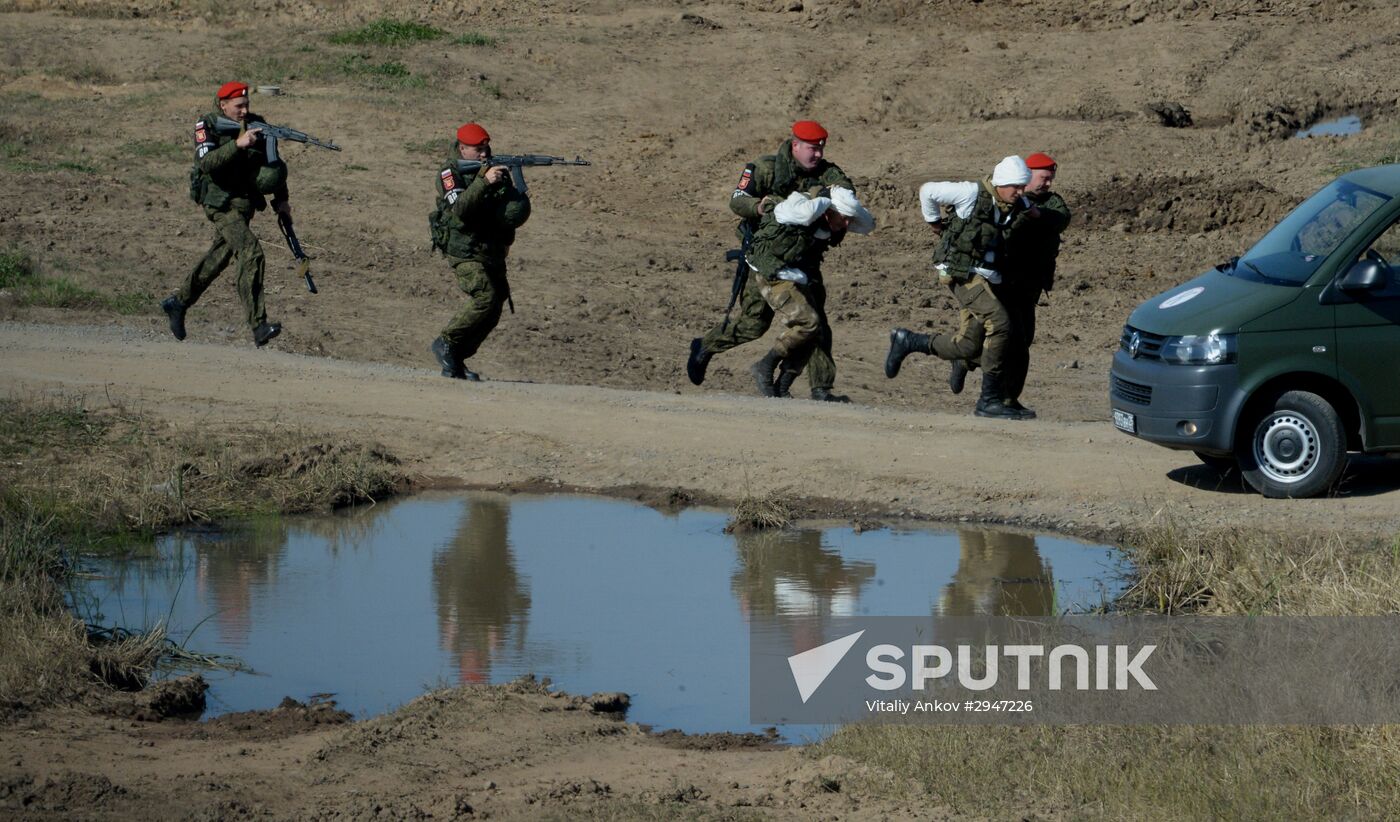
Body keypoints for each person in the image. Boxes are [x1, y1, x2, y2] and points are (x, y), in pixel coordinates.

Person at [688, 121, 856, 401]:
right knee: (754, 324)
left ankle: (821, 389)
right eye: (812, 148)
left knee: (816, 325)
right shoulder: (764, 168)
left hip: (805, 259)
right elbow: (737, 200)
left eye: (821, 148)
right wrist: (759, 207)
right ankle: (705, 345)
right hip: (765, 259)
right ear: (795, 146)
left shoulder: (828, 173)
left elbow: (845, 193)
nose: (817, 154)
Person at [883, 155, 1030, 419]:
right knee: (1000, 323)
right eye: (1015, 187)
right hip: (961, 273)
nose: (1020, 192)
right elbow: (927, 191)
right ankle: (988, 401)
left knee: (968, 346)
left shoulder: (1014, 203)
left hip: (987, 276)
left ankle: (909, 341)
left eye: (1023, 186)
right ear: (1001, 183)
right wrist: (935, 224)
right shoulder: (970, 193)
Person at [163, 81, 288, 347]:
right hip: (219, 204)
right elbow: (206, 163)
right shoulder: (206, 125)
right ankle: (258, 326)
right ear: (223, 105)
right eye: (238, 106)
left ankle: (178, 303)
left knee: (218, 258)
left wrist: (282, 200)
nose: (244, 111)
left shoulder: (258, 124)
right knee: (251, 252)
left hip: (244, 205)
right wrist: (238, 145)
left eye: (246, 106)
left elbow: (273, 165)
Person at [745, 187, 874, 397]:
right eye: (844, 217)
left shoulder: (829, 220)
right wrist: (823, 199)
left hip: (793, 275)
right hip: (771, 274)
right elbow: (801, 214)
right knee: (808, 322)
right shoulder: (797, 205)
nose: (847, 224)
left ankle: (783, 385)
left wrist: (840, 199)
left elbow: (868, 224)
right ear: (827, 211)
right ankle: (765, 365)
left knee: (816, 331)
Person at [428, 122, 531, 380]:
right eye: (477, 149)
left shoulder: (493, 168)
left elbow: (508, 213)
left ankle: (456, 357)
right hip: (462, 249)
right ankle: (446, 342)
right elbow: (460, 208)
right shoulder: (449, 173)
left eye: (486, 148)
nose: (484, 154)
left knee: (496, 304)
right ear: (463, 148)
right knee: (485, 296)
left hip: (490, 248)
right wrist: (484, 181)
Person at [997, 152, 1071, 419]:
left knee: (1022, 340)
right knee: (1006, 338)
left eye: (1050, 179)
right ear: (1027, 175)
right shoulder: (1007, 198)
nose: (1048, 184)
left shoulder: (1052, 202)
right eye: (1044, 178)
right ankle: (995, 393)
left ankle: (1009, 398)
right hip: (1003, 282)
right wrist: (1025, 213)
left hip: (1029, 287)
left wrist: (1036, 213)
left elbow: (1061, 219)